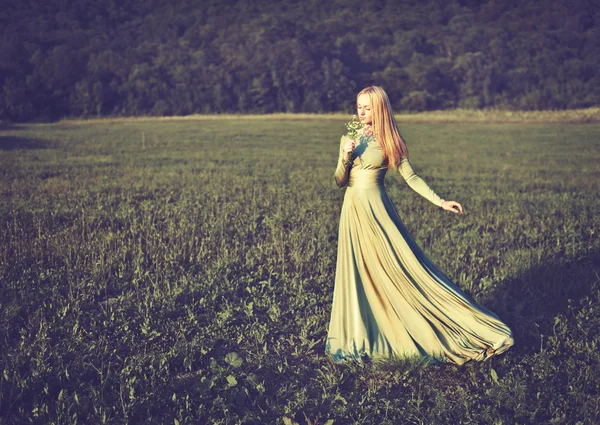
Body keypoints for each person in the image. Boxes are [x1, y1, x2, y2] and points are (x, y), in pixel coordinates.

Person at [326, 86, 514, 365]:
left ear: (379, 108)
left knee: (399, 269)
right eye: (358, 106)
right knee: (358, 271)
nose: (361, 111)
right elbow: (339, 181)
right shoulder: (350, 137)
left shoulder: (391, 140)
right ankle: (363, 332)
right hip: (352, 212)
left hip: (378, 212)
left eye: (367, 107)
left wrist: (440, 202)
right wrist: (344, 156)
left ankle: (423, 324)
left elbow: (411, 177)